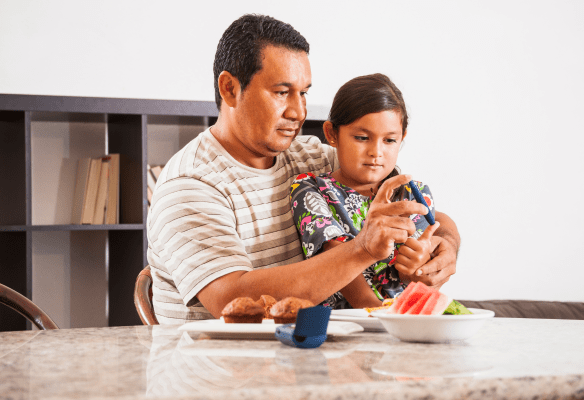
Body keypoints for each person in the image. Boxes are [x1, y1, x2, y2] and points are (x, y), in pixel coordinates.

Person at [147, 14, 460, 324]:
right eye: (282, 92)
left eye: (304, 92)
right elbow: (231, 301)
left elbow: (408, 202)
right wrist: (362, 249)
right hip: (219, 366)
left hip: (311, 352)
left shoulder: (312, 157)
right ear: (230, 89)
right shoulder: (190, 184)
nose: (298, 111)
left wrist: (444, 245)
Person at [290, 73, 439, 309]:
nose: (376, 152)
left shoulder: (414, 194)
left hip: (403, 321)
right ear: (331, 134)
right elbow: (338, 267)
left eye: (389, 140)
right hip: (348, 323)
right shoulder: (311, 190)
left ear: (402, 139)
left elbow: (423, 280)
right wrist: (380, 316)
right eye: (362, 137)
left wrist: (419, 265)